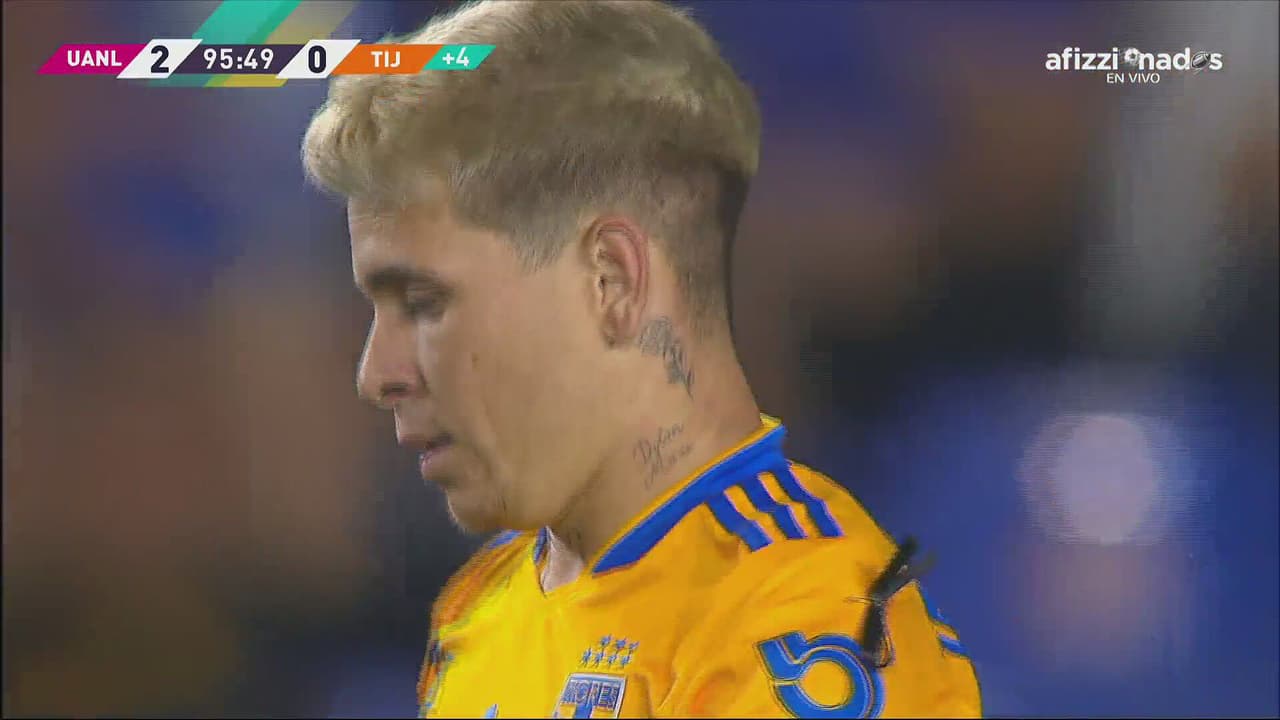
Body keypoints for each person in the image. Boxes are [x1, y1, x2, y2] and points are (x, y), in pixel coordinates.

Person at [301, 1, 980, 716]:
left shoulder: (804, 612)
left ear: (612, 281)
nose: (376, 375)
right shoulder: (482, 604)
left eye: (425, 303)